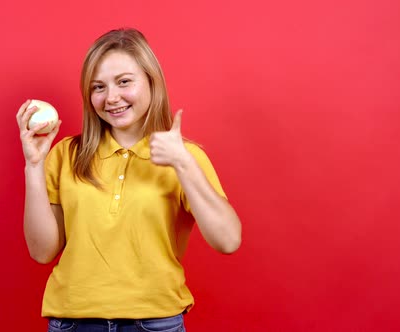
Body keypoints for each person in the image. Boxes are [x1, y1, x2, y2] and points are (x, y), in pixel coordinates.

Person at [16, 28, 242, 332]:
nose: (111, 98)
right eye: (98, 87)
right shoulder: (66, 154)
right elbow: (41, 251)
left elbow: (228, 240)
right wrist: (34, 164)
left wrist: (182, 163)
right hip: (72, 323)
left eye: (124, 82)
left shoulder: (184, 156)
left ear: (152, 81)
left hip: (155, 324)